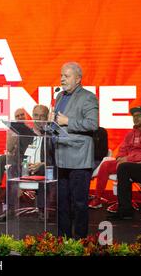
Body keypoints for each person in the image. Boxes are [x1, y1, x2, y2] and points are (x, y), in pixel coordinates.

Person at [53, 62, 99, 239]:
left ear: (78, 79)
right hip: (61, 157)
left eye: (66, 76)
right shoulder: (59, 97)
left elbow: (92, 124)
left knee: (79, 204)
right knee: (62, 203)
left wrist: (67, 121)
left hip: (78, 158)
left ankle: (80, 241)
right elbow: (59, 124)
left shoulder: (88, 97)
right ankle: (62, 239)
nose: (62, 79)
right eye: (61, 75)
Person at [88, 106, 141, 210]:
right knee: (105, 165)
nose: (136, 118)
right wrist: (120, 157)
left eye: (139, 116)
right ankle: (98, 198)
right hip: (126, 162)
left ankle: (122, 202)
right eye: (134, 116)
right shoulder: (131, 133)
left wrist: (128, 159)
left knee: (123, 167)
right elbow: (122, 148)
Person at [0, 105, 52, 222]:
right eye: (36, 115)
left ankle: (42, 209)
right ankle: (8, 209)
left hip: (43, 166)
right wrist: (24, 164)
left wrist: (42, 163)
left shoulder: (51, 136)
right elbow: (18, 155)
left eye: (42, 116)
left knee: (44, 171)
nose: (38, 118)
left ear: (47, 117)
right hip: (25, 166)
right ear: (32, 116)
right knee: (12, 169)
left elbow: (55, 158)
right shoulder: (26, 134)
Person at [0, 108, 28, 203]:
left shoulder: (30, 130)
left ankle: (19, 191)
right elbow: (9, 148)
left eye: (22, 115)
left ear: (26, 116)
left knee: (18, 163)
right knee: (2, 159)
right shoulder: (12, 130)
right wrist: (13, 134)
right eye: (17, 116)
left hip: (27, 158)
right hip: (15, 156)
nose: (20, 117)